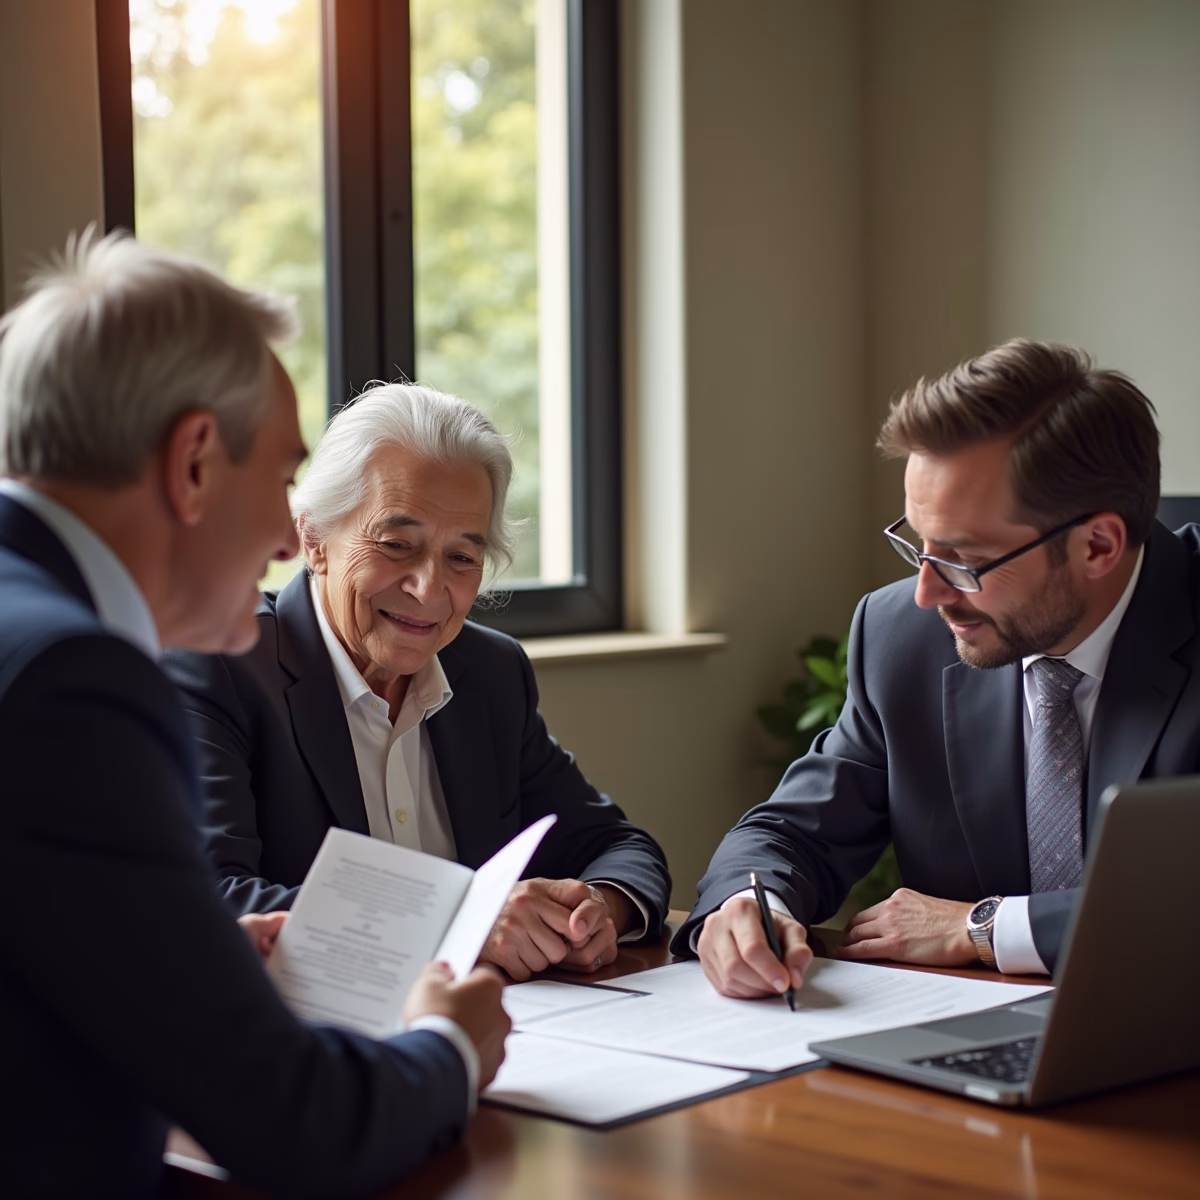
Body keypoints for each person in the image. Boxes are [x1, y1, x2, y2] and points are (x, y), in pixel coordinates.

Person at [0, 230, 510, 1198]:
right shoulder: (76, 682)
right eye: (281, 478)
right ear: (194, 461)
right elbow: (292, 1121)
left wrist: (178, 960)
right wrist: (450, 1046)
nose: (287, 536)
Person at [676, 339, 1200, 1000]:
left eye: (964, 558)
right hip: (966, 1037)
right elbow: (793, 832)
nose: (927, 593)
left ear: (1098, 545)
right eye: (918, 544)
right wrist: (751, 906)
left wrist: (986, 928)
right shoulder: (901, 636)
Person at [162, 382, 671, 982]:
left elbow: (619, 847)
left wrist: (594, 911)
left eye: (462, 558)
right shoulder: (219, 665)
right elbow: (211, 899)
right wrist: (461, 924)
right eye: (397, 544)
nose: (429, 590)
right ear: (314, 540)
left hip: (502, 1023)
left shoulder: (491, 673)